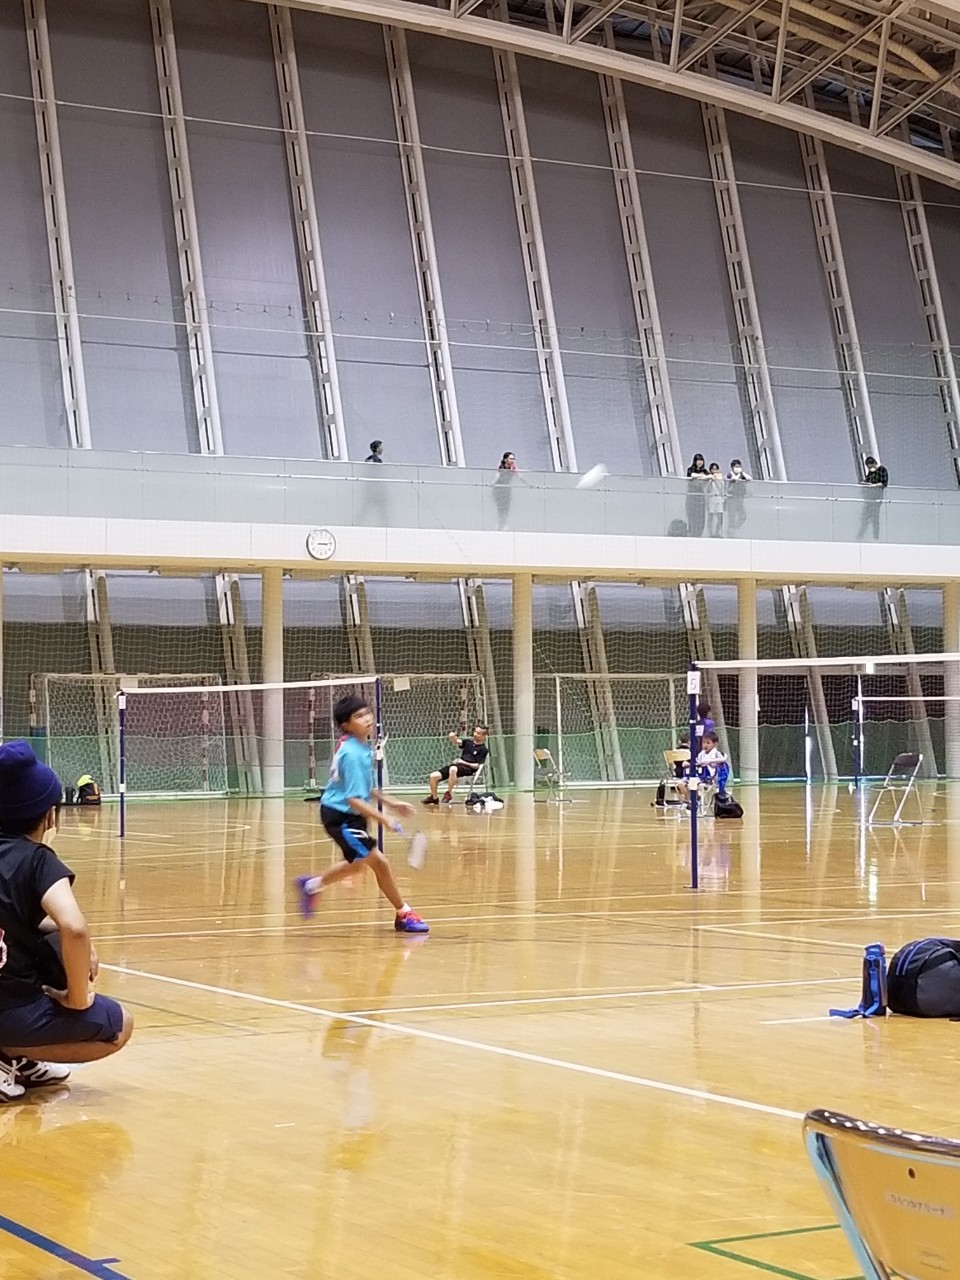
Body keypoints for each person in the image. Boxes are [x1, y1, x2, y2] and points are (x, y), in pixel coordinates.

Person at [0, 742, 133, 1101]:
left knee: (52, 936)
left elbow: (15, 915)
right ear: (50, 815)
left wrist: (55, 929)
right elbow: (75, 928)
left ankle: (15, 1059)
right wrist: (76, 999)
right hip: (11, 1011)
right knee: (120, 1025)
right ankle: (9, 1051)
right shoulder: (37, 860)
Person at [295, 695, 429, 934]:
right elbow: (353, 798)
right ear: (346, 725)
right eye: (358, 716)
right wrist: (383, 818)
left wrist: (391, 803)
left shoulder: (357, 746)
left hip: (350, 814)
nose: (367, 719)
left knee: (356, 866)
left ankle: (310, 886)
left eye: (367, 713)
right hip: (341, 817)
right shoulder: (353, 753)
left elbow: (362, 787)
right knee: (380, 862)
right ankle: (403, 913)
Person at [424, 726, 490, 805]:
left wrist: (463, 762)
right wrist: (452, 737)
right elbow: (456, 741)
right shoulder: (468, 742)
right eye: (475, 732)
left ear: (484, 735)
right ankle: (434, 798)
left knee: (453, 769)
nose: (475, 734)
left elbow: (477, 766)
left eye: (478, 733)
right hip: (457, 766)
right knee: (433, 776)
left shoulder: (483, 749)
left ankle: (448, 793)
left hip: (468, 768)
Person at [678, 732, 730, 804]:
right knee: (681, 784)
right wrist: (688, 763)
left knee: (693, 784)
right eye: (703, 743)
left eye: (708, 743)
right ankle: (690, 800)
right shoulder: (701, 754)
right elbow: (696, 762)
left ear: (715, 744)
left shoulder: (717, 753)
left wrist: (710, 761)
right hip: (698, 775)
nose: (705, 745)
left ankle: (693, 802)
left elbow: (723, 760)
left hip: (708, 778)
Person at [858, 455, 888, 541]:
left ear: (874, 463)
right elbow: (867, 480)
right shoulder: (871, 472)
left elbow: (884, 483)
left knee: (875, 517)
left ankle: (875, 537)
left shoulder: (882, 470)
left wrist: (874, 485)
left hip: (877, 498)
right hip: (869, 498)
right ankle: (861, 536)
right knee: (864, 517)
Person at [494, 452, 518, 531]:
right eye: (511, 458)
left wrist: (528, 484)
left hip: (507, 489)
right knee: (500, 508)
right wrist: (492, 484)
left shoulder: (513, 467)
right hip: (499, 489)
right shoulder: (501, 467)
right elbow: (497, 476)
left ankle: (503, 524)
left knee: (506, 508)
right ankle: (500, 524)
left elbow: (519, 476)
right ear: (505, 459)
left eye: (513, 459)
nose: (512, 460)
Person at [685, 453, 708, 538]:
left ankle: (699, 533)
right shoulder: (690, 469)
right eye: (698, 460)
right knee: (692, 514)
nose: (700, 462)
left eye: (701, 460)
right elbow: (692, 475)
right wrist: (702, 476)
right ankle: (692, 532)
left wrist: (704, 476)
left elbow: (710, 476)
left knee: (701, 515)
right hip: (692, 494)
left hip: (700, 495)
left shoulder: (704, 471)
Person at [726, 459, 751, 534]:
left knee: (743, 516)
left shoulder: (741, 475)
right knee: (732, 516)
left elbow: (749, 478)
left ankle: (735, 528)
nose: (738, 468)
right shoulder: (730, 475)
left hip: (740, 497)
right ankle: (730, 531)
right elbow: (734, 479)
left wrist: (742, 473)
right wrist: (739, 475)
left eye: (739, 466)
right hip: (732, 498)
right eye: (736, 467)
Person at [706, 462, 725, 537]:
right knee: (711, 517)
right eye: (713, 469)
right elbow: (708, 489)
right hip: (711, 498)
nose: (715, 471)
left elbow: (723, 489)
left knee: (720, 517)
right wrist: (711, 479)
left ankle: (717, 532)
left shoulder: (721, 479)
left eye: (716, 469)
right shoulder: (709, 479)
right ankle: (710, 533)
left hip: (719, 498)